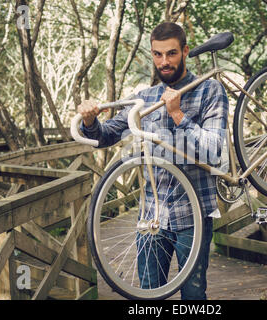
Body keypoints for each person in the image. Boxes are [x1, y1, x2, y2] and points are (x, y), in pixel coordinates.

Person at [78, 22, 229, 300]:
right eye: (157, 55)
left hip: (193, 215)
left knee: (194, 295)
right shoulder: (144, 98)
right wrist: (90, 120)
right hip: (152, 216)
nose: (164, 62)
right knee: (148, 293)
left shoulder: (209, 91)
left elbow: (214, 152)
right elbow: (107, 134)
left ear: (185, 51)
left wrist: (178, 115)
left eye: (171, 54)